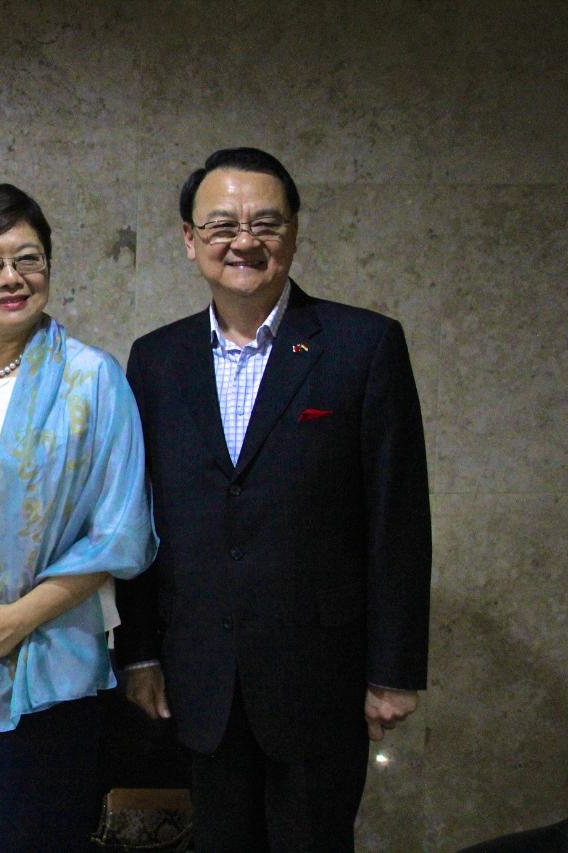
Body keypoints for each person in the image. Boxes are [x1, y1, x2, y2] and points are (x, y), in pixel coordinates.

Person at [115, 147, 432, 852]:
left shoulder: (362, 345)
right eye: (222, 224)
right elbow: (136, 514)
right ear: (189, 239)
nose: (244, 241)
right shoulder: (157, 359)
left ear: (292, 234)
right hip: (201, 677)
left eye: (266, 222)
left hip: (320, 676)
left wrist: (395, 669)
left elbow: (398, 517)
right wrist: (138, 654)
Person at [0, 183, 159, 852]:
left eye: (29, 258)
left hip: (43, 649)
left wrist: (21, 614)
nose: (11, 278)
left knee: (35, 833)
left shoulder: (91, 379)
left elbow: (123, 530)